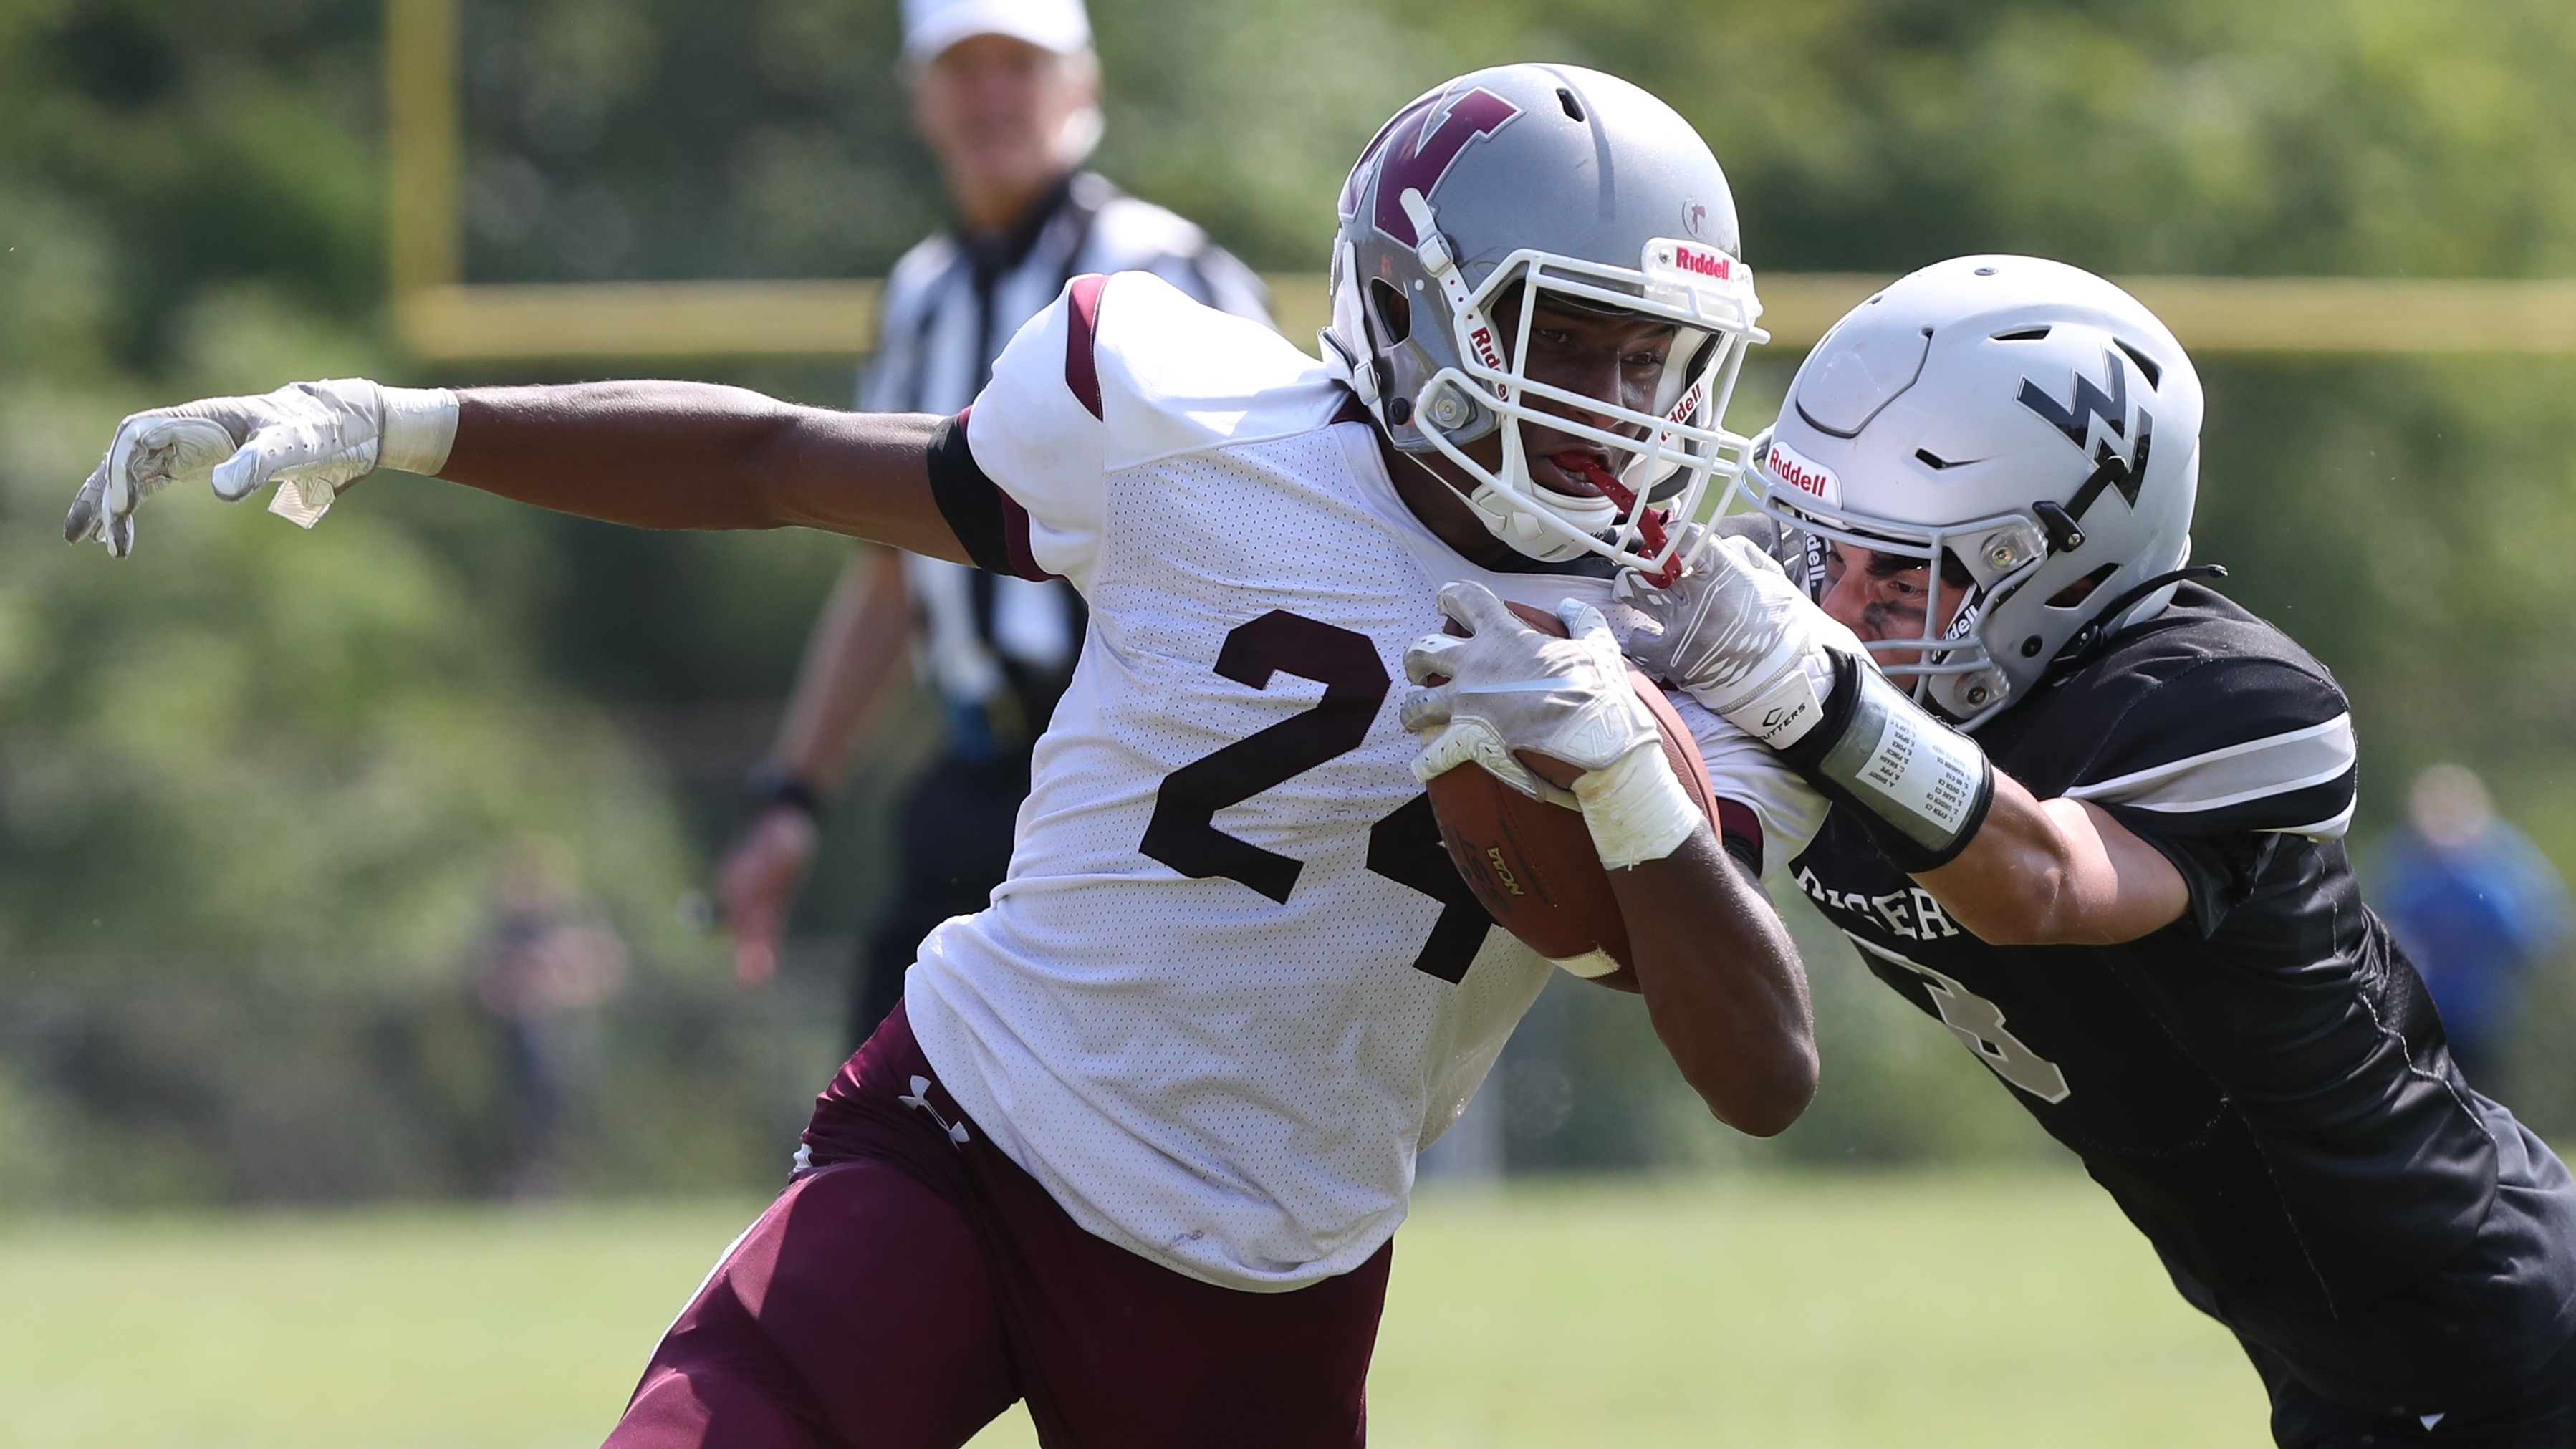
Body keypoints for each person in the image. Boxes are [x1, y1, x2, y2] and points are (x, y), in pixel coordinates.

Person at [68, 65, 1822, 1448]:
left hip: (1268, 1262)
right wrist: (400, 423)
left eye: (1653, 358)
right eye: (1561, 339)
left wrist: (1622, 774)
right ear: (1407, 302)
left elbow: (1757, 1073)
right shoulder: (1185, 424)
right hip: (971, 1131)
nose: (1616, 405)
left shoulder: (1691, 636)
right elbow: (774, 463)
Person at [1625, 254, 2576, 1446]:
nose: (1832, 602)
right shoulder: (1833, 654)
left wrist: (1814, 701)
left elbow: (2039, 881)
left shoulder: (2222, 700)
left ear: (2055, 563)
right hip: (2320, 1338)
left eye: (1898, 573)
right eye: (1821, 547)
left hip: (2491, 1328)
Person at [720, 0, 1276, 1044]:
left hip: (1137, 785)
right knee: (872, 1139)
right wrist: (792, 793)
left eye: (1019, 64)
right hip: (978, 776)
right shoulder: (918, 297)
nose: (992, 95)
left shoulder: (1168, 271)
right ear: (919, 98)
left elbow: (1289, 525)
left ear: (1083, 85)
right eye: (963, 68)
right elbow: (892, 578)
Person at [2374, 763, 2572, 1085]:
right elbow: (2381, 926)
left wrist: (2463, 876)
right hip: (2417, 1014)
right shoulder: (2405, 861)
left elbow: (2536, 930)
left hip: (2483, 1013)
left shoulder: (2499, 860)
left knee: (2482, 1102)